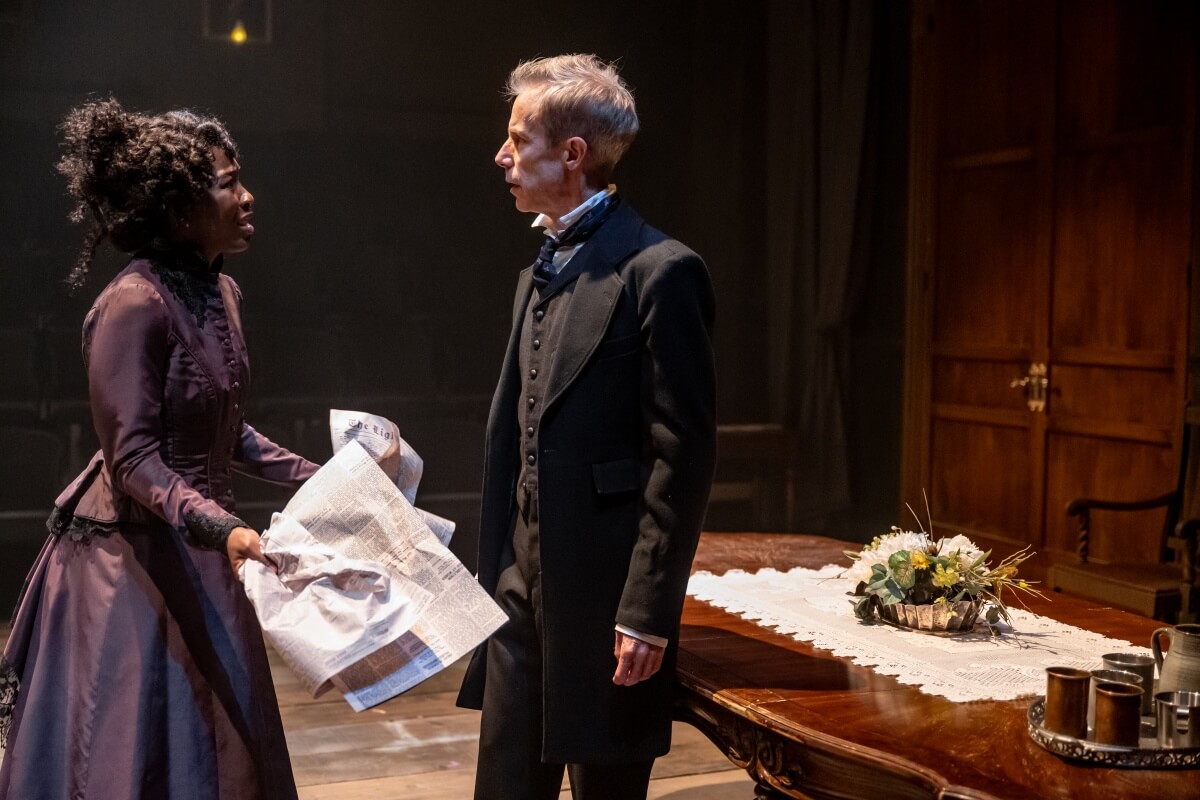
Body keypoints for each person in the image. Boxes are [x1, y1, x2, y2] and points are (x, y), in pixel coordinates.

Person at [0, 98, 319, 800]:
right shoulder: (133, 303)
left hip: (205, 542)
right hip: (134, 558)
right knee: (145, 745)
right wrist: (224, 527)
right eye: (228, 183)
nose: (246, 195)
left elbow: (228, 432)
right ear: (178, 212)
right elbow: (135, 458)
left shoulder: (223, 292)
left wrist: (328, 480)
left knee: (228, 746)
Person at [457, 54, 717, 800]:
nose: (500, 155)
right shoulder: (535, 269)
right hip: (517, 584)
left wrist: (646, 612)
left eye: (517, 138)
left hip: (605, 600)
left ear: (572, 154)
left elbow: (682, 457)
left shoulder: (661, 270)